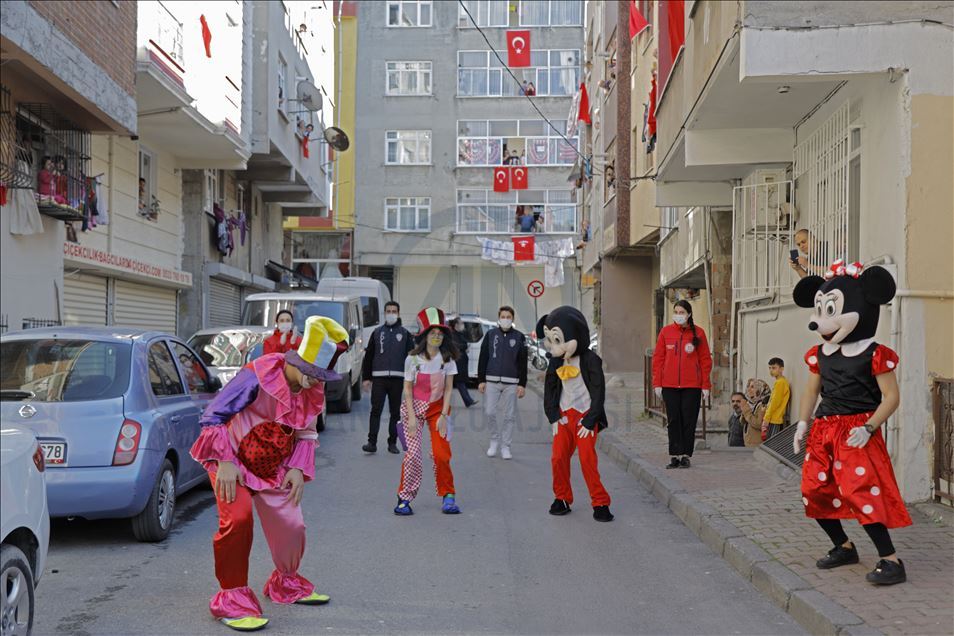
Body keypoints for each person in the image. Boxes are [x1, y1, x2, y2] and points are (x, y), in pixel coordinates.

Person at [190, 316, 349, 631]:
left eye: (321, 376)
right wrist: (224, 461)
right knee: (238, 521)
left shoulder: (311, 389)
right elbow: (214, 416)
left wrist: (296, 468)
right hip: (231, 462)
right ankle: (231, 598)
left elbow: (305, 431)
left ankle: (285, 582)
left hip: (273, 467)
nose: (315, 382)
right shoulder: (257, 375)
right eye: (311, 373)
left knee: (292, 524)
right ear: (297, 360)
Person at [792, 260, 911, 585]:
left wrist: (869, 427)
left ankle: (891, 560)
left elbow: (891, 397)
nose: (820, 321)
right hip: (824, 429)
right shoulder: (820, 353)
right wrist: (802, 423)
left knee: (862, 492)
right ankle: (843, 546)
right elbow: (811, 390)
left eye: (830, 310)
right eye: (821, 310)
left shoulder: (874, 353)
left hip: (857, 429)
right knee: (813, 489)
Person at [537, 306, 612, 521]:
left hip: (585, 416)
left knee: (587, 459)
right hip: (563, 415)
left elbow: (598, 392)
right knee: (558, 458)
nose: (553, 347)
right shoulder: (555, 361)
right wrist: (553, 416)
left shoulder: (590, 360)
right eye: (551, 341)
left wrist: (590, 421)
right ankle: (561, 498)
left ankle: (600, 502)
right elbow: (550, 390)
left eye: (557, 340)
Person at [394, 307, 461, 516]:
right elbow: (407, 389)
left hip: (437, 410)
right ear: (424, 335)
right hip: (413, 409)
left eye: (440, 333)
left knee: (441, 454)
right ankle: (404, 498)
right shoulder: (412, 360)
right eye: (433, 333)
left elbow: (448, 389)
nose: (437, 337)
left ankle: (448, 495)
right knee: (412, 455)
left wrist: (443, 416)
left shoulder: (447, 360)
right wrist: (411, 418)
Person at [651, 300, 713, 468]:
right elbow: (658, 359)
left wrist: (705, 385)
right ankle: (675, 455)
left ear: (689, 314)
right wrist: (657, 383)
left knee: (689, 420)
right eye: (676, 312)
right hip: (669, 385)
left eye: (682, 312)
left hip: (692, 386)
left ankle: (685, 455)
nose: (678, 315)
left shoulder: (698, 333)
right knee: (673, 420)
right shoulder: (666, 332)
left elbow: (705, 360)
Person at [360, 301, 413, 454]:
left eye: (394, 311)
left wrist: (411, 379)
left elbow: (411, 358)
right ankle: (371, 443)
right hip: (379, 379)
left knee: (395, 413)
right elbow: (369, 356)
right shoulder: (377, 332)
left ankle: (392, 443)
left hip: (398, 379)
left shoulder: (405, 334)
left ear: (398, 313)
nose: (391, 314)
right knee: (375, 410)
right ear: (384, 313)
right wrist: (366, 378)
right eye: (388, 311)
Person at [478, 306, 528, 460]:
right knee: (489, 412)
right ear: (499, 318)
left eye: (508, 317)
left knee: (509, 415)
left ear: (512, 319)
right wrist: (481, 380)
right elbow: (483, 357)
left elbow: (523, 362)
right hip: (492, 380)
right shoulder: (491, 335)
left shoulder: (519, 337)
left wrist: (522, 384)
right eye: (503, 316)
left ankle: (506, 446)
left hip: (511, 382)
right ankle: (494, 440)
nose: (505, 319)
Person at [449, 317, 477, 408]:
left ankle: (468, 401)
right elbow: (456, 346)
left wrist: (465, 347)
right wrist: (465, 347)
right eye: (461, 323)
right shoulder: (453, 335)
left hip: (461, 361)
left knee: (459, 383)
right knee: (458, 382)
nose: (463, 325)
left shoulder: (460, 334)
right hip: (457, 362)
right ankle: (468, 401)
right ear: (456, 325)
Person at [764, 357, 791, 439]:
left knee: (771, 443)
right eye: (770, 368)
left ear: (781, 369)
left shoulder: (780, 383)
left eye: (774, 368)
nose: (771, 370)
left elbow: (775, 402)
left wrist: (766, 418)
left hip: (776, 419)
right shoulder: (780, 381)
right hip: (774, 418)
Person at [742, 378, 771, 447]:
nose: (748, 389)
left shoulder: (763, 405)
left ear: (760, 389)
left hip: (758, 445)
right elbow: (744, 422)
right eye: (748, 386)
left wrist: (747, 412)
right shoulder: (753, 404)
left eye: (752, 387)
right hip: (750, 444)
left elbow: (759, 424)